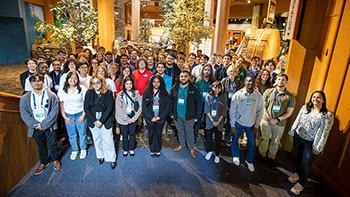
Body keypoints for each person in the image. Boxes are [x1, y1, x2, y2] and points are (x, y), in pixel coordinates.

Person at [287, 91, 333, 195]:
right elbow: (298, 119)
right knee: (298, 158)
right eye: (314, 97)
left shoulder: (326, 115)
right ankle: (297, 174)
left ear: (323, 100)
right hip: (298, 137)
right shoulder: (305, 108)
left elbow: (324, 132)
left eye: (318, 97)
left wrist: (318, 147)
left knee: (306, 164)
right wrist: (292, 131)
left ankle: (301, 184)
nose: (315, 99)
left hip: (311, 143)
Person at [20, 73, 61, 175]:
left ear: (43, 82)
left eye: (39, 81)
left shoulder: (51, 95)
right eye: (34, 81)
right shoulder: (25, 98)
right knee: (40, 145)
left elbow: (54, 112)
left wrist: (43, 125)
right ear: (30, 83)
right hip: (35, 127)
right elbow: (25, 114)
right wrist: (36, 125)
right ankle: (43, 162)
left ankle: (55, 160)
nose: (37, 83)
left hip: (49, 126)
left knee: (52, 144)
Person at [258, 73, 295, 168]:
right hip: (266, 120)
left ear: (286, 82)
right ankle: (262, 155)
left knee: (275, 141)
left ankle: (271, 158)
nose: (281, 81)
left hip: (279, 123)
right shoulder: (268, 92)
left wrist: (276, 120)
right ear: (275, 81)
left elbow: (289, 112)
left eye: (283, 80)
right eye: (279, 79)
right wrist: (268, 117)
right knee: (264, 139)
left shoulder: (290, 97)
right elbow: (263, 106)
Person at [230, 76, 264, 172]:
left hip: (251, 124)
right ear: (244, 82)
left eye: (252, 82)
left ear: (254, 83)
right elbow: (232, 111)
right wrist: (232, 124)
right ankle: (236, 155)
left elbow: (260, 111)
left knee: (252, 144)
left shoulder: (258, 96)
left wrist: (257, 125)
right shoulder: (238, 94)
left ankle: (249, 161)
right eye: (248, 81)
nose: (250, 83)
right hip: (238, 122)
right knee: (235, 140)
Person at [84, 75, 117, 169]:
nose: (96, 85)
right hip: (93, 119)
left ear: (102, 82)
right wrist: (94, 120)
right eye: (93, 83)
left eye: (98, 82)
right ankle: (100, 156)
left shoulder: (108, 93)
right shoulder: (89, 92)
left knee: (108, 140)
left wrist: (101, 121)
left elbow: (109, 108)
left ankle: (111, 158)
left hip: (105, 119)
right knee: (97, 139)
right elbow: (86, 108)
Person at [170, 71, 202, 158]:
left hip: (189, 116)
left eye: (185, 76)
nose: (183, 78)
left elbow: (199, 103)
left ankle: (191, 148)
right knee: (180, 131)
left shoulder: (194, 88)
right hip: (177, 115)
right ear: (179, 78)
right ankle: (182, 144)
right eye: (181, 76)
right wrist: (171, 113)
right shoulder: (175, 87)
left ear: (189, 78)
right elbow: (171, 100)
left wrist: (197, 116)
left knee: (189, 132)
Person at [57, 71, 87, 160]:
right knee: (71, 134)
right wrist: (65, 117)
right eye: (71, 78)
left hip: (80, 113)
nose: (73, 80)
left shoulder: (82, 88)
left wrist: (83, 115)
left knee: (82, 133)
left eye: (75, 78)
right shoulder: (62, 89)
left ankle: (83, 149)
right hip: (68, 115)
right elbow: (61, 104)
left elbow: (86, 103)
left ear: (78, 79)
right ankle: (74, 149)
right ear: (67, 79)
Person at [142, 75, 170, 157]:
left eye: (158, 82)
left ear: (161, 83)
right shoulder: (147, 92)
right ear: (151, 83)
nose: (156, 84)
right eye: (154, 82)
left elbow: (167, 107)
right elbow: (144, 107)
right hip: (150, 118)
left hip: (160, 118)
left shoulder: (165, 93)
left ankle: (157, 149)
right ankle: (152, 149)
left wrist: (159, 117)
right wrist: (151, 117)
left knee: (158, 134)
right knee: (151, 134)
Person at [115, 77, 142, 157]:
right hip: (123, 119)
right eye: (127, 84)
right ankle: (125, 149)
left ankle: (132, 148)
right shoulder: (120, 95)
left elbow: (140, 107)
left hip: (133, 118)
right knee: (125, 134)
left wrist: (134, 118)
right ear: (124, 85)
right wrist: (127, 119)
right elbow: (118, 109)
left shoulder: (136, 94)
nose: (129, 85)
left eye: (130, 83)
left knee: (132, 134)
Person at [204, 81, 227, 163]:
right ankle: (209, 151)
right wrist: (212, 120)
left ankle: (217, 154)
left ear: (221, 88)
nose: (216, 89)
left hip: (219, 121)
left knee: (218, 139)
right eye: (215, 87)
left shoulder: (224, 97)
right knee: (209, 138)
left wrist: (218, 121)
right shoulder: (208, 96)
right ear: (212, 88)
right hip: (210, 120)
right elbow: (207, 110)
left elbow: (224, 111)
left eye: (218, 87)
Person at [221, 65, 244, 146]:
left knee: (230, 123)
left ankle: (227, 139)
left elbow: (241, 94)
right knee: (221, 121)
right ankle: (219, 138)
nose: (232, 73)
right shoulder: (224, 81)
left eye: (234, 72)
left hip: (234, 106)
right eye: (231, 71)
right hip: (224, 105)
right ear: (228, 72)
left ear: (236, 73)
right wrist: (225, 105)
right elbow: (221, 93)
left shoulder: (239, 82)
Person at [194, 64, 215, 141]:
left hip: (209, 103)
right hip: (199, 103)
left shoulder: (212, 81)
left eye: (209, 70)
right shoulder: (198, 80)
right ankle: (195, 136)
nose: (207, 72)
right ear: (203, 71)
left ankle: (207, 137)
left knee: (208, 120)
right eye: (205, 70)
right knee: (198, 119)